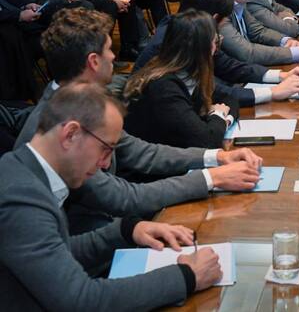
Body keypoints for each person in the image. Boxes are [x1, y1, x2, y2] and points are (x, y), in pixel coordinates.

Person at [14, 7, 262, 232]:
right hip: (88, 236)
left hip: (114, 220)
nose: (114, 57)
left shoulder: (82, 101)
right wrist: (212, 178)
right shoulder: (61, 124)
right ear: (93, 61)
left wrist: (216, 157)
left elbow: (141, 152)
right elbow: (122, 197)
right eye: (109, 49)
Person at [0, 83, 223, 309]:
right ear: (70, 134)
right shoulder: (20, 197)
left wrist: (127, 230)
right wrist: (187, 276)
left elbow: (59, 253)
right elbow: (81, 301)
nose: (106, 163)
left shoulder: (24, 172)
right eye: (105, 149)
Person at [136, 0, 299, 107]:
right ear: (213, 18)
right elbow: (212, 92)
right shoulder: (172, 42)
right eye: (223, 22)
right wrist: (273, 92)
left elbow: (228, 66)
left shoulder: (189, 31)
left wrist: (280, 76)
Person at [124, 10, 238, 149]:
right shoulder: (163, 87)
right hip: (159, 167)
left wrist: (223, 121)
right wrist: (219, 116)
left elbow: (230, 99)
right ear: (202, 48)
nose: (216, 49)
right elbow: (207, 140)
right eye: (215, 42)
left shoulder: (188, 72)